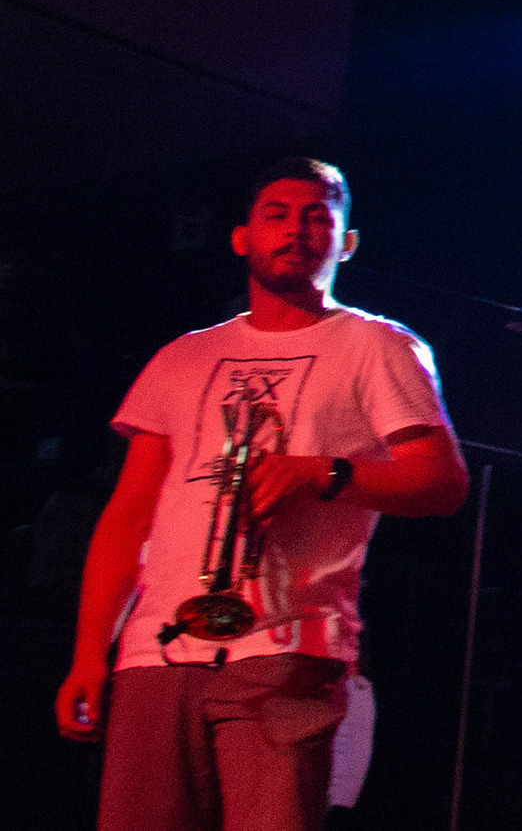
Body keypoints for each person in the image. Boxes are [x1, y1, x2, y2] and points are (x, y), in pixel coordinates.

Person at [55, 157, 467, 831]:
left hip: (288, 646)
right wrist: (87, 654)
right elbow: (128, 516)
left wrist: (323, 473)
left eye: (316, 217)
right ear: (242, 237)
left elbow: (443, 482)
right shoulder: (181, 356)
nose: (295, 229)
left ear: (346, 242)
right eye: (276, 215)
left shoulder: (379, 346)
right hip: (156, 650)